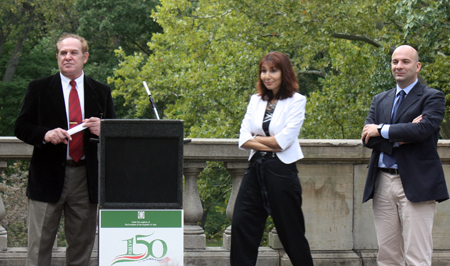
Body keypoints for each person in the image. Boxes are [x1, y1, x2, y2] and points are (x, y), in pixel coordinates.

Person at [15, 33, 116, 265]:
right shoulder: (38, 88)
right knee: (39, 247)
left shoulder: (100, 91)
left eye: (73, 52)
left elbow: (114, 131)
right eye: (63, 53)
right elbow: (21, 126)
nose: (68, 57)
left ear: (85, 57)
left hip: (85, 178)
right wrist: (45, 134)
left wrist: (105, 129)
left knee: (81, 248)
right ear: (57, 57)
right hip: (47, 177)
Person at [361, 45, 449, 266]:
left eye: (405, 62)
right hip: (382, 183)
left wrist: (381, 130)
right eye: (395, 61)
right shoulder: (379, 99)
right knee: (388, 256)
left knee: (417, 256)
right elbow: (367, 138)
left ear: (417, 66)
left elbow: (422, 131)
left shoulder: (432, 97)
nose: (398, 66)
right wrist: (404, 133)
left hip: (416, 183)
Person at [230, 51, 313, 266]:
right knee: (241, 224)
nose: (267, 76)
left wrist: (257, 138)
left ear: (283, 73)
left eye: (273, 71)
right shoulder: (255, 100)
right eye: (264, 71)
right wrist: (267, 141)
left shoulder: (297, 101)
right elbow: (243, 139)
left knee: (291, 233)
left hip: (281, 171)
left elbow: (283, 142)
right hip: (255, 169)